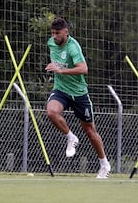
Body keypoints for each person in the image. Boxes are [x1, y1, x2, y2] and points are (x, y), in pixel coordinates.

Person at [45, 17, 111, 179]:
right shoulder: (51, 43)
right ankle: (71, 137)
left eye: (58, 33)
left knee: (89, 131)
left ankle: (104, 164)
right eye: (53, 33)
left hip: (79, 93)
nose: (55, 36)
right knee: (51, 112)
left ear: (66, 32)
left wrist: (60, 71)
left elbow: (83, 69)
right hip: (61, 90)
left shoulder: (73, 47)